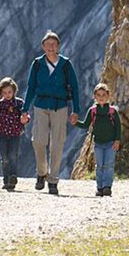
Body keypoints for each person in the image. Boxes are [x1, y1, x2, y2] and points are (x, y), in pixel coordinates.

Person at [21, 30, 80, 195]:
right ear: (43, 46)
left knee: (58, 143)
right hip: (40, 105)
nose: (51, 47)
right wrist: (25, 109)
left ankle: (53, 180)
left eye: (54, 44)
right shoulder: (37, 64)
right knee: (39, 141)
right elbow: (31, 87)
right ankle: (41, 172)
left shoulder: (66, 65)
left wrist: (76, 110)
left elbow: (74, 87)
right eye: (48, 44)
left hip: (60, 106)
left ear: (58, 46)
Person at [76, 82, 122, 196]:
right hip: (98, 143)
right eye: (99, 95)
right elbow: (85, 124)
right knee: (99, 165)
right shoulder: (92, 111)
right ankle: (100, 187)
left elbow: (118, 127)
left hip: (111, 143)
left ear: (108, 96)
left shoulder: (112, 111)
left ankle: (107, 186)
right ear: (94, 97)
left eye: (104, 95)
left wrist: (117, 140)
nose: (101, 97)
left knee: (109, 165)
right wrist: (75, 122)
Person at [0, 77, 26, 191]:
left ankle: (12, 177)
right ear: (1, 93)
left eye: (9, 92)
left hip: (15, 134)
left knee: (13, 156)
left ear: (14, 91)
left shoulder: (19, 103)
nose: (7, 94)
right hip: (3, 134)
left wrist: (25, 119)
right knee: (4, 158)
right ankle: (6, 179)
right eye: (4, 92)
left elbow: (25, 115)